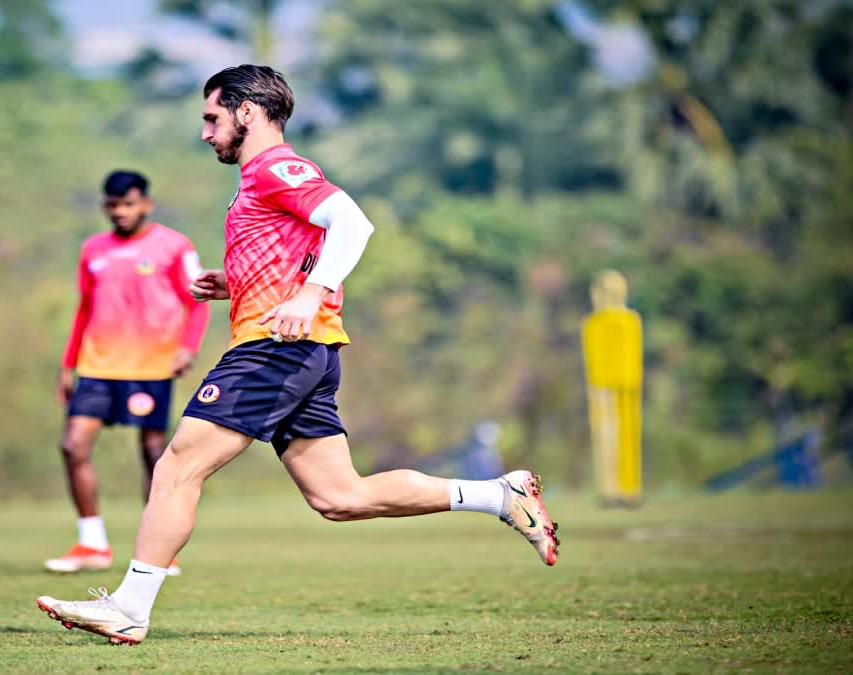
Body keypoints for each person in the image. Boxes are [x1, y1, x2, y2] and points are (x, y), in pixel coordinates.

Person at [37, 65, 560, 645]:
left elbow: (353, 223)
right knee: (340, 497)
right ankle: (497, 494)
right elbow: (295, 254)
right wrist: (234, 284)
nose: (206, 133)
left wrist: (310, 296)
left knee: (177, 466)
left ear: (248, 112)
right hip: (303, 350)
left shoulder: (276, 166)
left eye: (212, 118)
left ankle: (130, 607)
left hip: (275, 350)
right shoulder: (258, 180)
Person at [45, 170, 209, 576]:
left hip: (150, 364)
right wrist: (69, 365)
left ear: (146, 205)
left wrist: (187, 347)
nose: (120, 212)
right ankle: (92, 543)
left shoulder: (173, 246)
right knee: (72, 446)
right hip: (98, 366)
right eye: (113, 205)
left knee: (154, 454)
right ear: (105, 207)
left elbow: (198, 301)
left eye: (128, 204)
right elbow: (84, 309)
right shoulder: (92, 249)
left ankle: (161, 549)